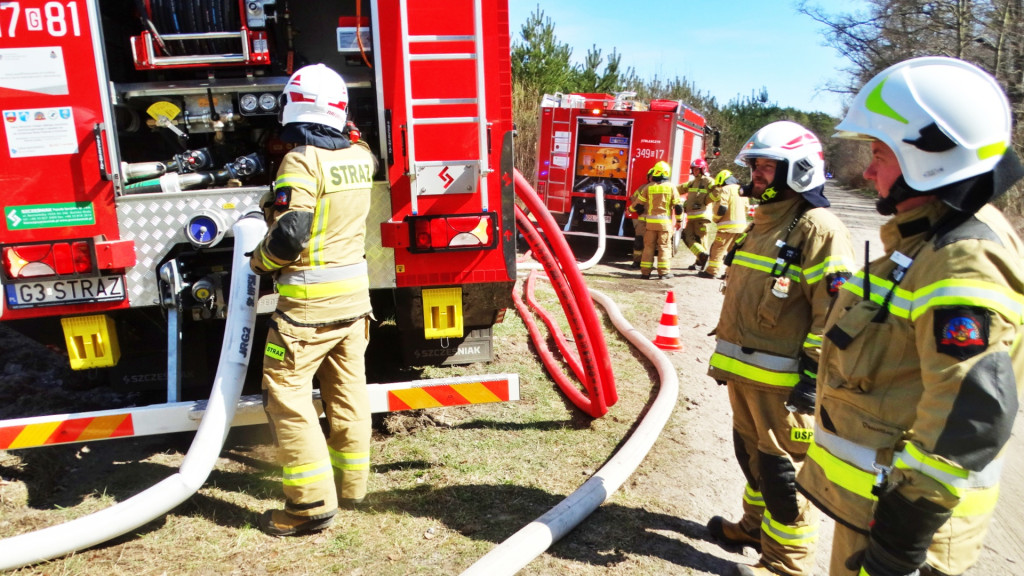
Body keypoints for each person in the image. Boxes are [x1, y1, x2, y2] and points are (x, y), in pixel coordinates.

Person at [796, 57, 1024, 576]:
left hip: (906, 537)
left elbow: (968, 417)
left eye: (880, 154)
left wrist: (899, 545)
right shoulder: (929, 239)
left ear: (932, 155)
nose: (868, 171)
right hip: (880, 515)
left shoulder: (964, 257)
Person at [705, 121, 856, 576]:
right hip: (747, 375)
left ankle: (785, 564)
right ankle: (754, 528)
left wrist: (812, 377)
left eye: (769, 168)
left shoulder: (817, 228)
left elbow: (836, 311)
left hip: (786, 385)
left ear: (800, 171)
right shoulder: (764, 223)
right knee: (752, 459)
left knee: (783, 476)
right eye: (756, 166)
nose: (757, 176)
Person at [249, 63, 379, 536]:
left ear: (292, 105)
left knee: (286, 396)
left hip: (307, 309)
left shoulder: (301, 161)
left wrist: (259, 262)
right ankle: (351, 486)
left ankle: (309, 506)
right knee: (348, 392)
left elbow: (290, 236)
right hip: (354, 303)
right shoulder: (361, 157)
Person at [632, 160, 683, 279]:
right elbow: (678, 207)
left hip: (650, 225)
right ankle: (663, 273)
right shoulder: (671, 187)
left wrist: (630, 210)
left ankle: (645, 273)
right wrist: (679, 221)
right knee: (664, 247)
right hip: (664, 225)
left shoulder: (648, 187)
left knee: (648, 247)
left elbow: (638, 204)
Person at [699, 169, 749, 279]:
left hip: (727, 228)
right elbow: (746, 208)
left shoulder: (725, 189)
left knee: (717, 249)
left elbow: (722, 208)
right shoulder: (741, 189)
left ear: (722, 180)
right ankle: (729, 274)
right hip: (741, 228)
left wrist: (715, 219)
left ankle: (712, 271)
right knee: (734, 252)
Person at [679, 158, 716, 270]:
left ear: (703, 169)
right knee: (686, 236)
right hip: (692, 217)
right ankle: (701, 257)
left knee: (701, 240)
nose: (695, 171)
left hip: (702, 217)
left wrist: (706, 200)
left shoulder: (708, 181)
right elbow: (680, 189)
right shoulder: (693, 182)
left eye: (697, 169)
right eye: (693, 169)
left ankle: (701, 262)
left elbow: (718, 191)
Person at [628, 168, 655, 267]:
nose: (652, 178)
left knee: (650, 244)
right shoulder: (643, 188)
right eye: (650, 177)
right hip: (642, 221)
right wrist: (638, 208)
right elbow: (633, 197)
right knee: (639, 241)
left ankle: (647, 264)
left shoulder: (659, 189)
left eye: (654, 177)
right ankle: (636, 261)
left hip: (654, 222)